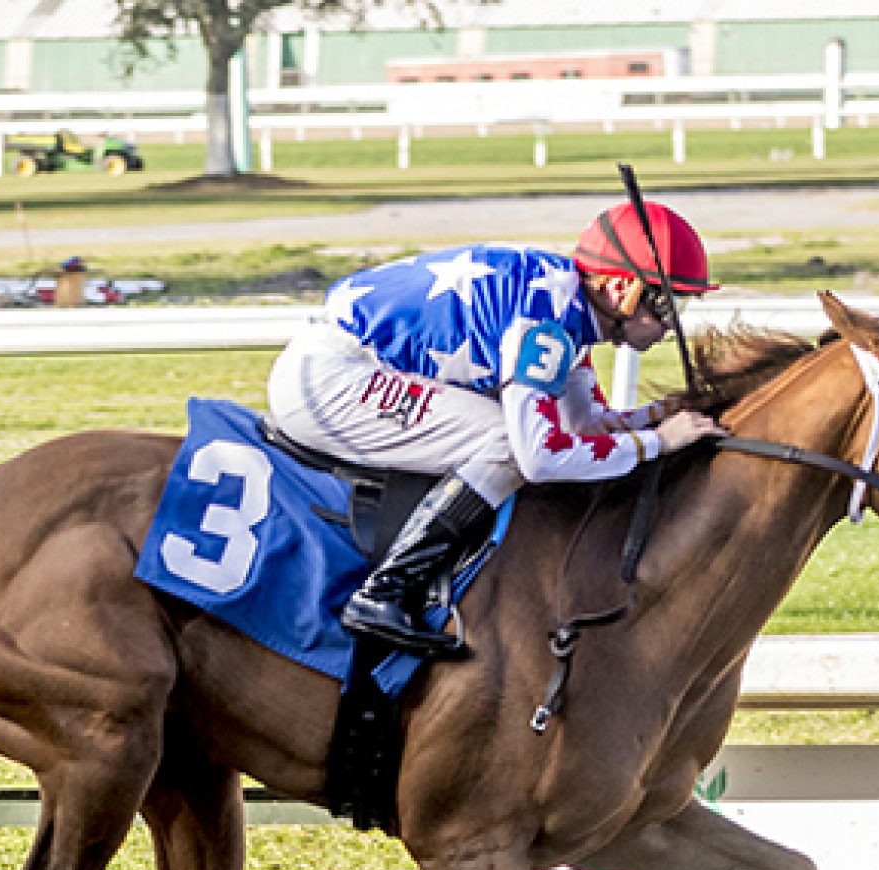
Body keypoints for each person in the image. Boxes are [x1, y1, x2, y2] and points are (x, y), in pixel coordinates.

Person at [266, 199, 726, 659]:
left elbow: (582, 427)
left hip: (340, 365)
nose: (670, 324)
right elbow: (540, 456)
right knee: (507, 439)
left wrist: (656, 415)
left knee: (515, 434)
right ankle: (385, 591)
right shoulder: (545, 324)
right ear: (621, 290)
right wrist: (658, 443)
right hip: (328, 380)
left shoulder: (564, 308)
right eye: (666, 303)